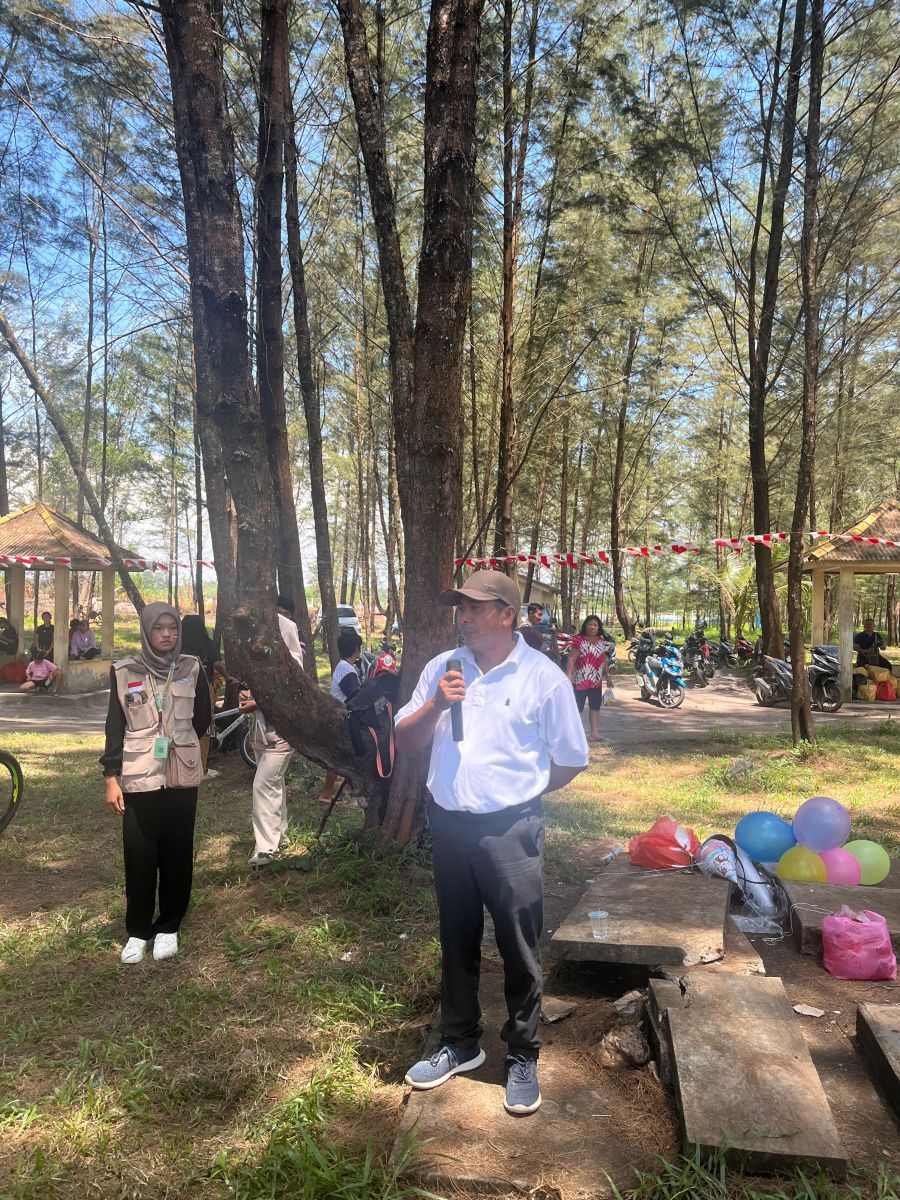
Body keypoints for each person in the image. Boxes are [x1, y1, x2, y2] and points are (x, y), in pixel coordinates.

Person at [396, 571, 588, 1116]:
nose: (464, 618)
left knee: (518, 943)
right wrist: (436, 704)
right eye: (460, 608)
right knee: (456, 937)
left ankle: (522, 1052)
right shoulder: (443, 668)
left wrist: (518, 794)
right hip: (449, 826)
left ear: (508, 615)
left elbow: (571, 759)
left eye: (477, 608)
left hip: (511, 831)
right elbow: (405, 740)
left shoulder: (542, 678)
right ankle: (460, 1042)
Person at [100, 602, 211, 964]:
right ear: (146, 632)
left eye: (173, 628)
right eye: (159, 628)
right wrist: (111, 777)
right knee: (140, 853)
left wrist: (183, 746)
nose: (167, 635)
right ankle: (138, 931)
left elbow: (201, 718)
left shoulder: (192, 668)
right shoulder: (124, 671)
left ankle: (169, 926)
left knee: (178, 851)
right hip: (138, 775)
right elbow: (115, 726)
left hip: (181, 775)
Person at [242, 612, 305, 866]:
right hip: (260, 730)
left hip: (281, 732)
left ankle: (266, 848)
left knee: (263, 784)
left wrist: (257, 702)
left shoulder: (286, 630)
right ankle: (280, 836)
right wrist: (249, 694)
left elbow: (291, 691)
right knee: (273, 784)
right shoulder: (252, 628)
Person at [318, 629, 362, 804]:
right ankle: (326, 794)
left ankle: (347, 786)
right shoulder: (347, 670)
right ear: (356, 649)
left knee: (345, 754)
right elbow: (355, 696)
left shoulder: (344, 666)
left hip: (339, 716)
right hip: (341, 719)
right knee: (337, 757)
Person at [181, 615, 220, 771]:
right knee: (205, 726)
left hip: (181, 688)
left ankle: (182, 764)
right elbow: (217, 664)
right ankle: (200, 766)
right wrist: (228, 676)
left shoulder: (178, 644)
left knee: (182, 724)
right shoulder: (208, 643)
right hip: (205, 689)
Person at [565, 614, 613, 742]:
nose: (593, 627)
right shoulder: (579, 640)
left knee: (595, 707)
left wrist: (608, 675)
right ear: (585, 626)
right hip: (580, 680)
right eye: (590, 624)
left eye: (595, 625)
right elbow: (571, 659)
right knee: (577, 708)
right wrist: (569, 677)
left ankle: (595, 734)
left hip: (596, 681)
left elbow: (603, 659)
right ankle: (573, 736)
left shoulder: (601, 640)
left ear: (599, 627)